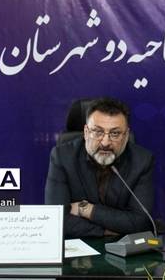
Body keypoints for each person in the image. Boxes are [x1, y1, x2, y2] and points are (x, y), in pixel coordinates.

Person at [44, 97, 155, 238]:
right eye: (98, 132)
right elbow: (56, 220)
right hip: (78, 246)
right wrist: (105, 231)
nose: (105, 142)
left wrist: (86, 209)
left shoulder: (142, 161)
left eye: (115, 133)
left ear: (126, 135)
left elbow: (141, 222)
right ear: (86, 132)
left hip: (123, 247)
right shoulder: (62, 157)